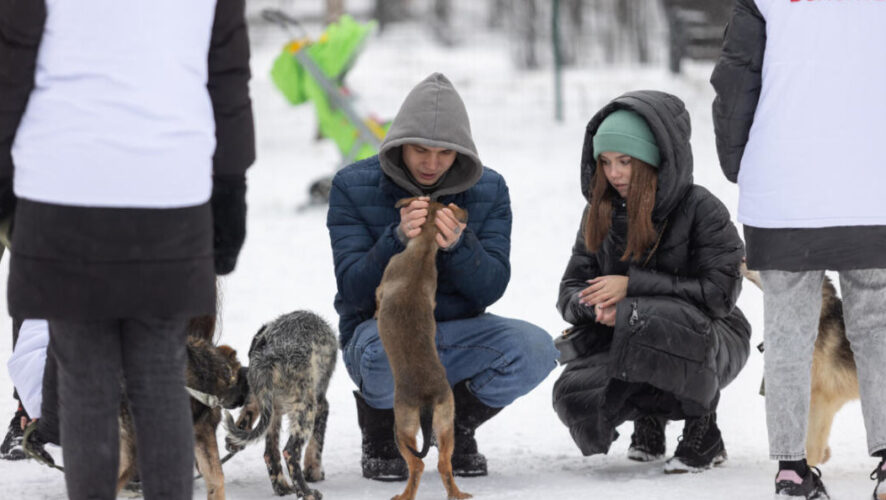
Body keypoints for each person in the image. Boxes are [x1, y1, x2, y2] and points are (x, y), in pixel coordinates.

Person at [0, 0, 254, 498]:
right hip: (169, 191)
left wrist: (6, 187)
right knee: (160, 378)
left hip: (63, 188)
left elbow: (10, 70)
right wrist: (231, 188)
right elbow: (227, 80)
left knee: (85, 385)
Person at [327, 72, 559, 481]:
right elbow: (352, 289)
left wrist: (459, 246)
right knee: (379, 354)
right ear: (399, 144)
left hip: (458, 333)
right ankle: (381, 428)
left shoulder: (490, 188)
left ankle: (455, 425)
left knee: (536, 348)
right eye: (420, 150)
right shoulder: (352, 185)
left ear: (461, 152)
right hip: (380, 334)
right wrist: (396, 239)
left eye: (445, 153)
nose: (431, 164)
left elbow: (492, 287)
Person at [712, 1, 886, 498]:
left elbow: (735, 81)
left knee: (788, 335)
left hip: (783, 186)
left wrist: (741, 163)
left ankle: (792, 470)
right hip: (873, 184)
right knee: (877, 328)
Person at [551, 91, 751, 474]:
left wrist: (631, 288)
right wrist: (596, 305)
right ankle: (649, 420)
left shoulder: (701, 208)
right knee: (573, 392)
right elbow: (570, 290)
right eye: (605, 162)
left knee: (649, 318)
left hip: (713, 336)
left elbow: (720, 294)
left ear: (654, 157)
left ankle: (703, 429)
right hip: (628, 334)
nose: (614, 173)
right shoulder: (599, 212)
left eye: (625, 161)